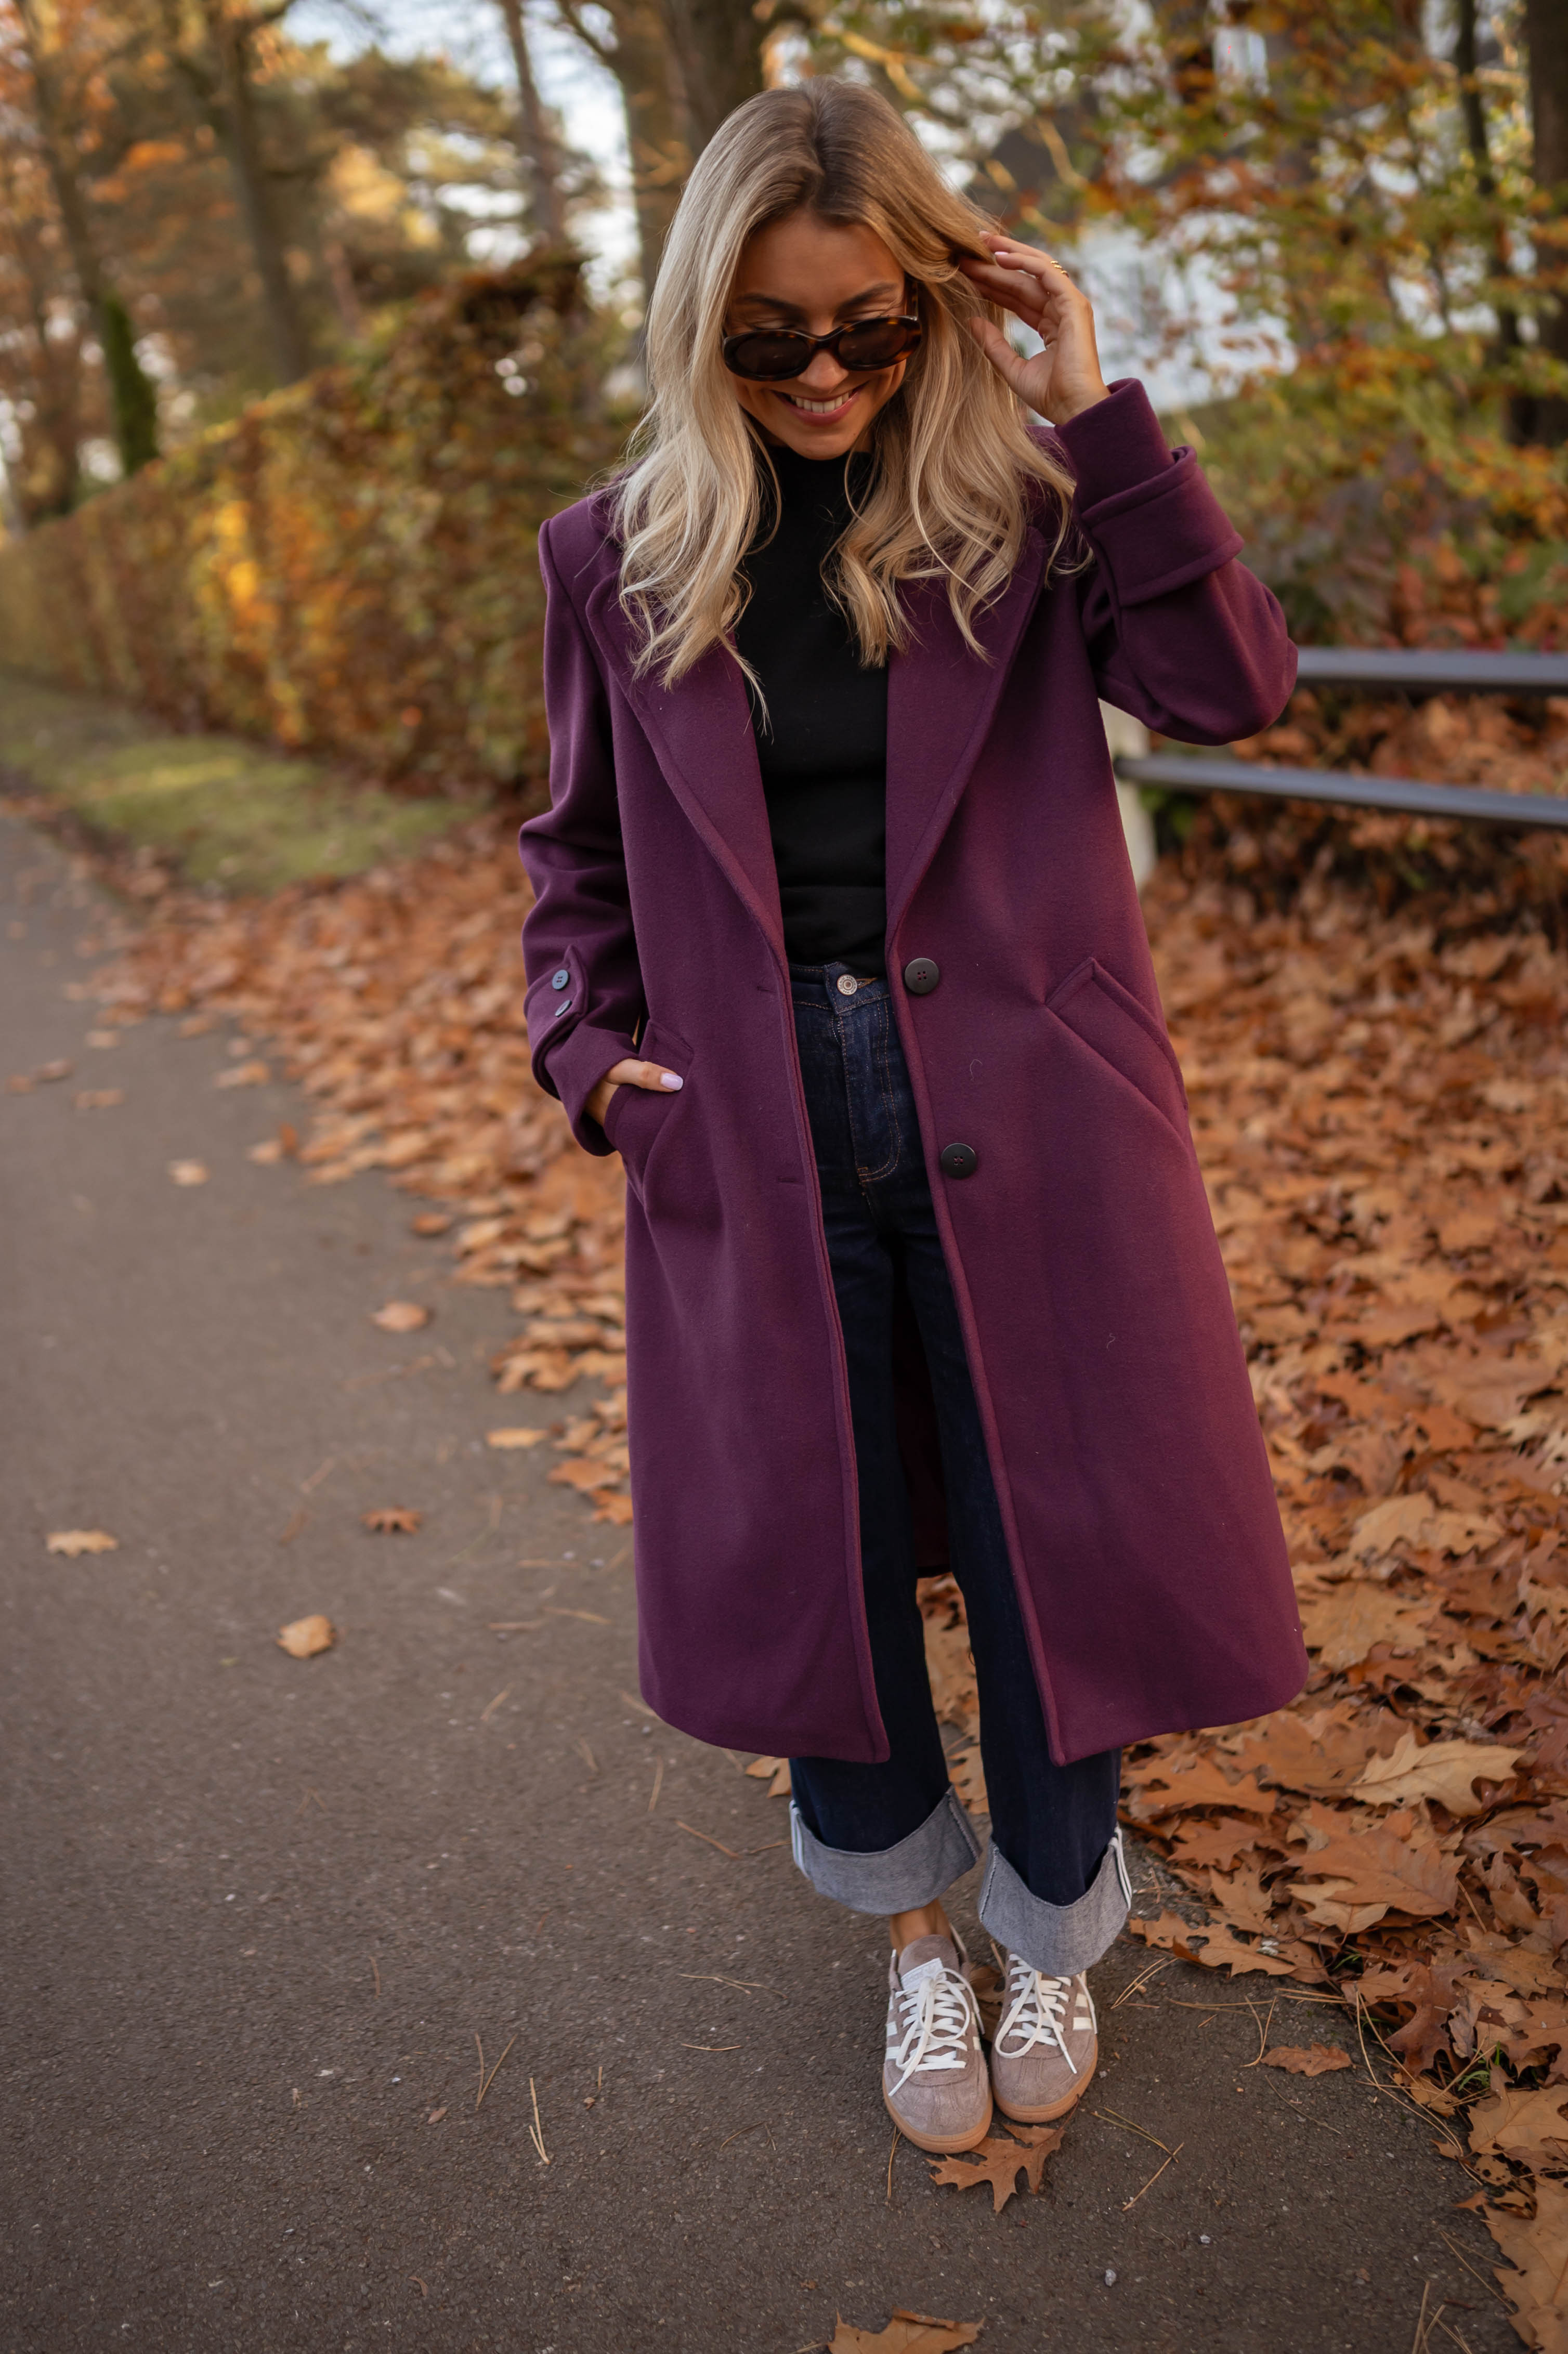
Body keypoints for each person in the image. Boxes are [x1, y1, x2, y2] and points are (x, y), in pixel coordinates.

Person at [518, 79, 1306, 2157]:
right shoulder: (612, 558)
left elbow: (1232, 691)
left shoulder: (1033, 509)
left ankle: (1055, 1923)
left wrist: (1104, 407)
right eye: (770, 338)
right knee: (820, 1548)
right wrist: (595, 1062)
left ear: (935, 307)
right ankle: (910, 1948)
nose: (825, 374)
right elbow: (571, 863)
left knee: (1057, 1527)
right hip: (753, 1116)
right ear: (703, 331)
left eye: (869, 327)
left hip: (1027, 1108)